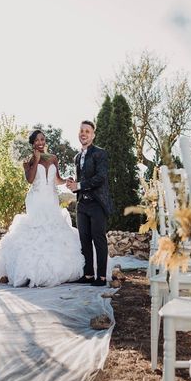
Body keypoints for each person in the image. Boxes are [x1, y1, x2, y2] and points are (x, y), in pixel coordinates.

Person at [0, 129, 85, 287]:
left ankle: (58, 271)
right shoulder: (28, 160)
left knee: (53, 231)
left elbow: (56, 180)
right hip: (36, 199)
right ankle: (30, 272)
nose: (40, 142)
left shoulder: (53, 158)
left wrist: (66, 180)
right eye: (37, 140)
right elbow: (30, 180)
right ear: (32, 143)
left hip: (51, 199)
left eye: (42, 139)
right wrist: (35, 160)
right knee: (37, 231)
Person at [66, 120, 113, 287]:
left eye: (87, 131)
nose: (83, 133)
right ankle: (88, 274)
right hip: (82, 205)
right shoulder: (77, 157)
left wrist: (79, 185)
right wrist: (73, 185)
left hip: (97, 203)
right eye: (81, 131)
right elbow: (82, 180)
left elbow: (101, 178)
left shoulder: (100, 154)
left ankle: (101, 277)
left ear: (93, 135)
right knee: (84, 239)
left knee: (98, 240)